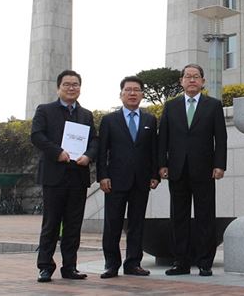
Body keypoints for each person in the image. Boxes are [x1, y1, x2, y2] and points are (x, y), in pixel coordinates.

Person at [158, 64, 227, 277]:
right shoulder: (170, 106)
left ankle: (205, 263)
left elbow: (221, 138)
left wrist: (220, 165)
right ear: (181, 81)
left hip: (204, 170)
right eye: (188, 77)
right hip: (177, 170)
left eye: (196, 77)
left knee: (205, 217)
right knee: (178, 217)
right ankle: (181, 262)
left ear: (203, 81)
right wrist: (162, 164)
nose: (192, 80)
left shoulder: (213, 106)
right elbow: (163, 138)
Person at [31, 70, 98, 283]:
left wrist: (88, 155)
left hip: (78, 176)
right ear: (58, 87)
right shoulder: (45, 110)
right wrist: (57, 152)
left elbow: (95, 141)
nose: (71, 88)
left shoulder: (86, 114)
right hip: (54, 176)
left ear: (80, 87)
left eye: (75, 84)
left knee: (73, 225)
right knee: (51, 223)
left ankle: (70, 267)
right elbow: (37, 135)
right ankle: (45, 267)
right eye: (67, 84)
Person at [97, 76, 160, 279]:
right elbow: (101, 152)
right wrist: (102, 176)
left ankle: (133, 263)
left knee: (137, 224)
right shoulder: (109, 120)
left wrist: (154, 175)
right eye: (128, 90)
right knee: (112, 224)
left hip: (141, 181)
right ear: (121, 94)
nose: (133, 93)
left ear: (142, 94)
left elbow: (154, 150)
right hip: (115, 181)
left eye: (137, 90)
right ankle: (111, 264)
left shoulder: (150, 120)